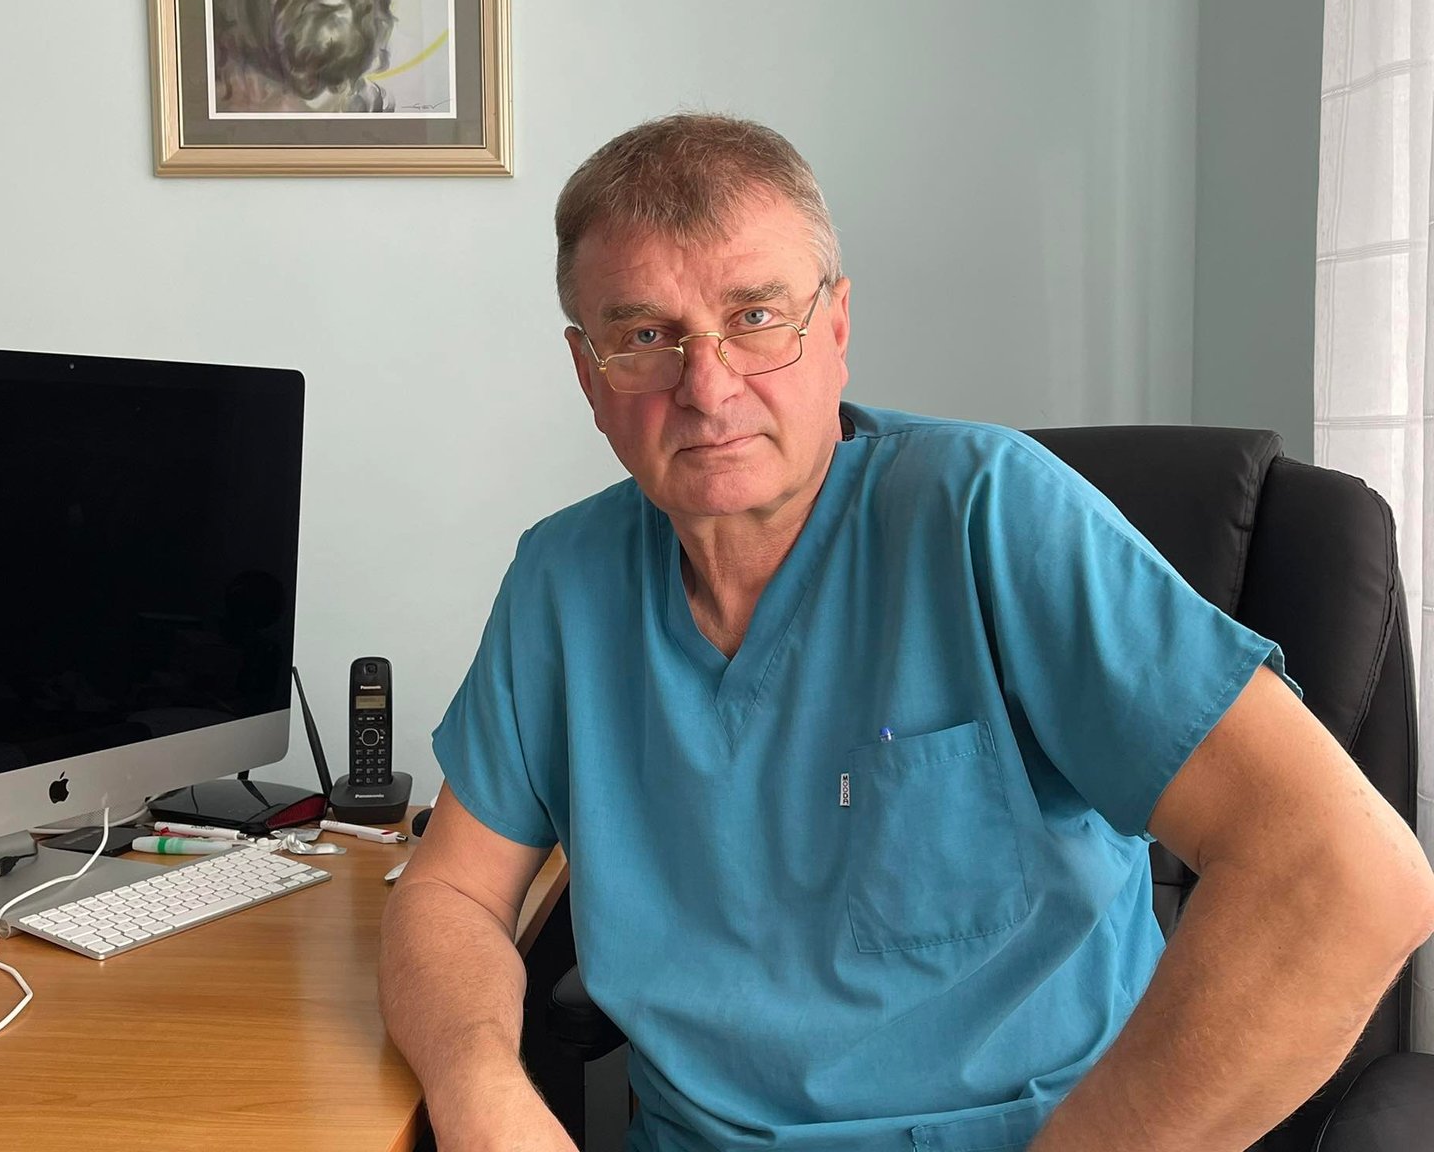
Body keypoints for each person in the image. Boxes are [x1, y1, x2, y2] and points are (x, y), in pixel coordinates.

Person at [379, 114, 1434, 1152]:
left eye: (756, 316)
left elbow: (1346, 881)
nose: (707, 387)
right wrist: (484, 1095)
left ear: (835, 329)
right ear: (589, 373)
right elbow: (452, 891)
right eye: (646, 336)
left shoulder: (989, 514)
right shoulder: (563, 580)